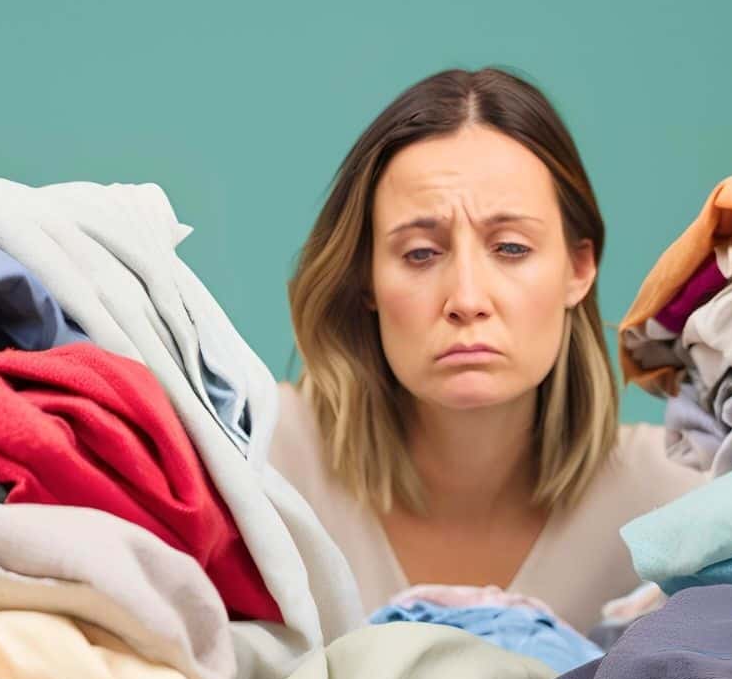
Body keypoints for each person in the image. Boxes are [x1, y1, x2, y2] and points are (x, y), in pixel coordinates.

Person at [271, 67, 704, 631]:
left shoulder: (678, 504)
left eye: (510, 247)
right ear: (365, 282)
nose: (467, 299)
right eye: (421, 254)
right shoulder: (264, 469)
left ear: (578, 268)